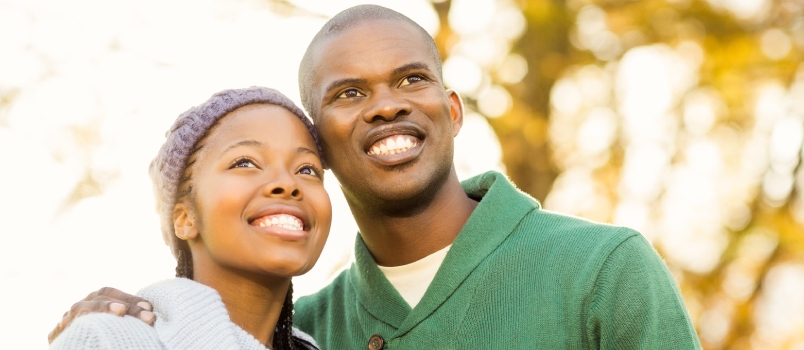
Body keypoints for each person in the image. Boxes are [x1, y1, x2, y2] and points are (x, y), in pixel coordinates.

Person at [49, 5, 702, 349]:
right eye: (349, 93)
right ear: (320, 145)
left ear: (452, 111)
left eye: (412, 79)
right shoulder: (309, 330)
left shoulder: (601, 272)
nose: (387, 104)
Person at [49, 87, 329, 350]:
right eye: (245, 163)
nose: (287, 183)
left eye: (307, 170)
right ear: (184, 218)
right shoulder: (107, 340)